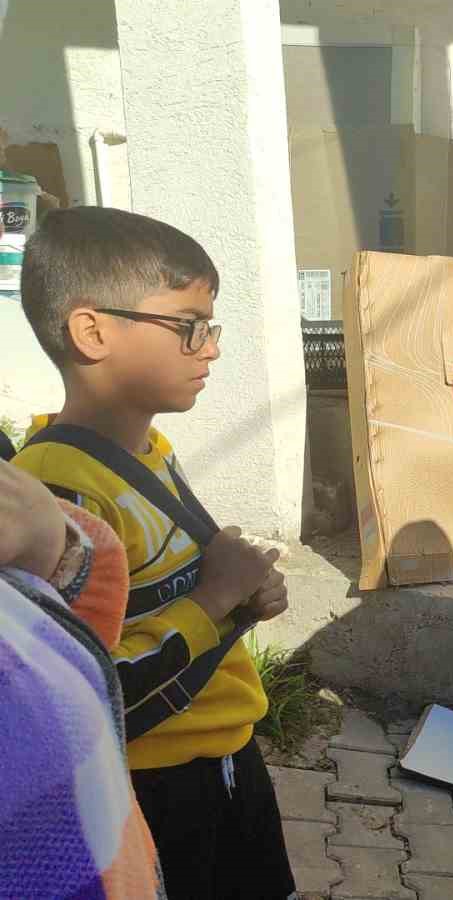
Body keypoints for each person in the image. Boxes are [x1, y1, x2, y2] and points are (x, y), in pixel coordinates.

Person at [10, 207, 295, 899]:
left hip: (227, 753)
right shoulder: (54, 495)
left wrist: (243, 598)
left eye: (211, 327)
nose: (211, 349)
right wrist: (217, 598)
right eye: (189, 326)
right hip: (155, 786)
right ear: (92, 331)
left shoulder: (150, 451)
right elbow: (85, 688)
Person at [1, 460, 166, 898]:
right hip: (158, 768)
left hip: (113, 831)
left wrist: (48, 535)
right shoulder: (61, 466)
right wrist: (215, 606)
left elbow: (82, 636)